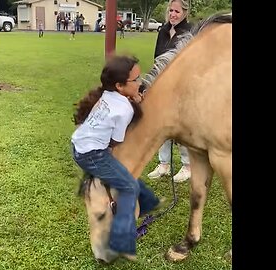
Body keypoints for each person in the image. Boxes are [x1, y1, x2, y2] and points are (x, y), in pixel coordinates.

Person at [71, 55, 160, 260]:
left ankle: (146, 204)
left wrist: (135, 99)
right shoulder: (124, 108)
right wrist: (135, 104)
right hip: (92, 154)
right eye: (136, 80)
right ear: (120, 85)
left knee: (125, 176)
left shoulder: (109, 95)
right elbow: (116, 141)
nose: (140, 82)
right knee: (129, 186)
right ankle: (121, 240)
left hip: (79, 145)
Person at [146, 0, 192, 183]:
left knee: (179, 127)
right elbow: (157, 58)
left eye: (177, 11)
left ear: (185, 13)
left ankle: (187, 166)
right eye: (171, 10)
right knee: (161, 125)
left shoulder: (189, 32)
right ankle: (164, 164)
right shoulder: (163, 30)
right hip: (162, 86)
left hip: (181, 87)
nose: (173, 14)